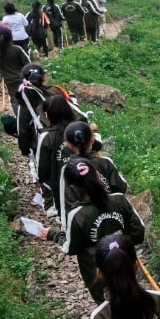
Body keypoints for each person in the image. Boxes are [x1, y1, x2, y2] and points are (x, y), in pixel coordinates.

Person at [40, 159, 145, 303]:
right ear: (97, 176)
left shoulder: (76, 215)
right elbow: (139, 234)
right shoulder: (120, 200)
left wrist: (53, 234)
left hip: (97, 276)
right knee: (132, 301)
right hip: (126, 266)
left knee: (108, 310)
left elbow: (71, 247)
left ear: (73, 188)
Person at [34, 91, 87, 204]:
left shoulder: (46, 136)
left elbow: (42, 167)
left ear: (47, 115)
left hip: (58, 186)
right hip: (84, 181)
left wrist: (43, 184)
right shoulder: (79, 129)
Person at [65, 120, 128, 197]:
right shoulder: (105, 162)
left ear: (69, 145)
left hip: (80, 208)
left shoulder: (65, 168)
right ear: (92, 138)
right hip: (107, 207)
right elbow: (122, 188)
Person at [15, 63, 49, 159]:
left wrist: (24, 149)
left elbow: (22, 128)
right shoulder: (54, 91)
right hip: (63, 139)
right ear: (43, 77)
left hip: (41, 143)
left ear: (23, 78)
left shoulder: (26, 100)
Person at [0, 28, 32, 97]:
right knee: (27, 97)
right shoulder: (17, 49)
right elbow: (27, 64)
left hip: (9, 80)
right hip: (22, 79)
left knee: (14, 98)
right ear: (11, 37)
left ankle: (17, 107)